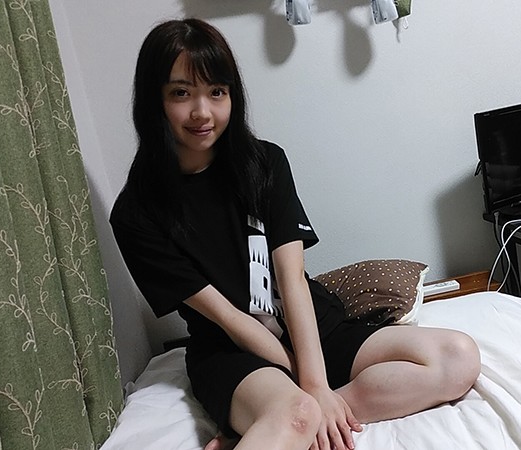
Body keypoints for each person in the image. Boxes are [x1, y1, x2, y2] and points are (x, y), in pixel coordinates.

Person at [110, 18, 480, 450]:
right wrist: (308, 391)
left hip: (314, 328)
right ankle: (282, 419)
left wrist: (319, 386)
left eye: (217, 92)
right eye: (180, 93)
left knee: (458, 357)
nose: (202, 112)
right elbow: (229, 318)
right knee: (299, 413)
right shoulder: (137, 213)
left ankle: (255, 431)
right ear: (154, 100)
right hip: (232, 350)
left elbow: (292, 280)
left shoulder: (264, 164)